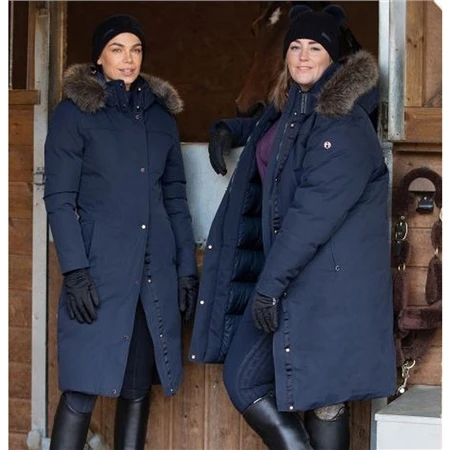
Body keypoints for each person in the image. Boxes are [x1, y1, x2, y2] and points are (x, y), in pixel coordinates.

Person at [189, 4, 396, 450]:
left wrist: (268, 287)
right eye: (295, 46)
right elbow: (278, 131)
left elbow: (310, 217)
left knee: (321, 397)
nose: (303, 56)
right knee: (255, 381)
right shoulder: (295, 107)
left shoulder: (342, 125)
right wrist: (232, 130)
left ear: (333, 57)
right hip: (295, 278)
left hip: (326, 286)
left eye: (315, 48)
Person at [44, 14, 198, 450]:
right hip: (99, 272)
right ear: (99, 56)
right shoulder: (74, 114)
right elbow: (59, 199)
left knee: (136, 387)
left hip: (153, 271)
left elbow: (175, 199)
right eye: (117, 49)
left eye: (136, 50)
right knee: (81, 387)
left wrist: (186, 269)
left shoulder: (161, 118)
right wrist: (75, 271)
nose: (128, 59)